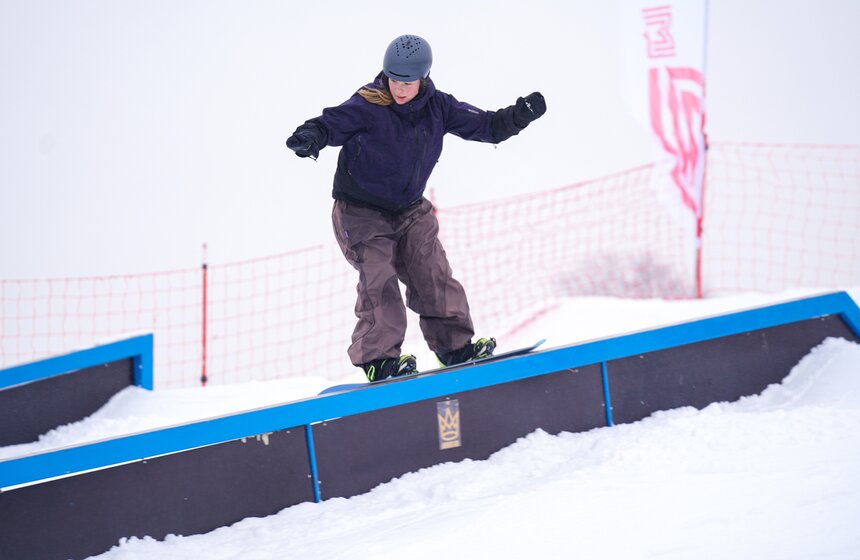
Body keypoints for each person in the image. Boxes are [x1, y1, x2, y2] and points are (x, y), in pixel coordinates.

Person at [286, 34, 546, 381]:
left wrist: (519, 116)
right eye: (394, 79)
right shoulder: (368, 104)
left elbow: (487, 126)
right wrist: (310, 135)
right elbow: (331, 123)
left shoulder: (439, 107)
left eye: (407, 81)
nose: (400, 88)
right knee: (378, 275)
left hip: (410, 210)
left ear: (423, 77)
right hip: (360, 212)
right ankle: (378, 359)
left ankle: (454, 347)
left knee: (432, 272)